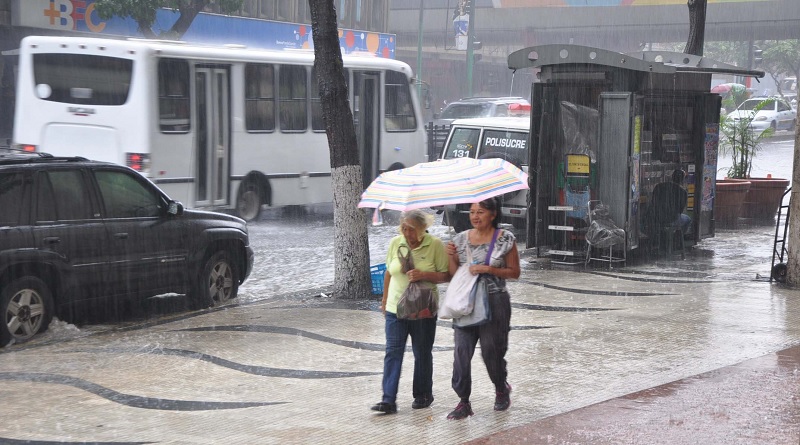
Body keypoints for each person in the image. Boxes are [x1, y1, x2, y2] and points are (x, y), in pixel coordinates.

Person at [444, 197, 521, 420]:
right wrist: (450, 256)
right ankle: (463, 401)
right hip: (465, 303)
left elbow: (514, 272)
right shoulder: (459, 240)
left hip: (495, 302)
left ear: (493, 214)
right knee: (461, 352)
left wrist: (488, 269)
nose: (475, 216)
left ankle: (500, 387)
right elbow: (452, 276)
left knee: (491, 351)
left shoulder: (505, 239)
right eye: (472, 212)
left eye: (480, 212)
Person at [371, 210, 450, 415]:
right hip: (395, 309)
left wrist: (424, 274)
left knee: (422, 353)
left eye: (412, 229)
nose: (407, 233)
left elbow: (446, 275)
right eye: (404, 229)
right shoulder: (396, 243)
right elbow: (389, 272)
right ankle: (388, 399)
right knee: (392, 352)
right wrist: (384, 300)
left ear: (422, 229)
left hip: (423, 309)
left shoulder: (434, 245)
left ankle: (423, 394)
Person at [648, 169, 691, 235]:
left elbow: (653, 202)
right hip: (672, 218)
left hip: (656, 216)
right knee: (688, 219)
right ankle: (679, 236)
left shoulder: (659, 186)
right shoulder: (682, 192)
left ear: (672, 177)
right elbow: (680, 210)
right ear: (682, 180)